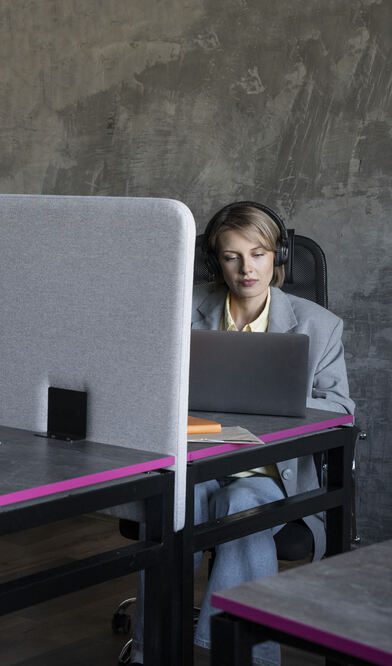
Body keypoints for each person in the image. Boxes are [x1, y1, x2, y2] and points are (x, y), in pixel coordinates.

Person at [130, 201, 354, 666]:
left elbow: (341, 409)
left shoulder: (319, 325)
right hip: (198, 464)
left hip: (273, 475)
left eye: (258, 254)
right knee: (179, 504)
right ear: (217, 262)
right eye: (232, 256)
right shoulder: (182, 310)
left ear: (279, 257)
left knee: (242, 504)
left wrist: (284, 400)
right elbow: (145, 383)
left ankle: (238, 657)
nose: (247, 268)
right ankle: (156, 650)